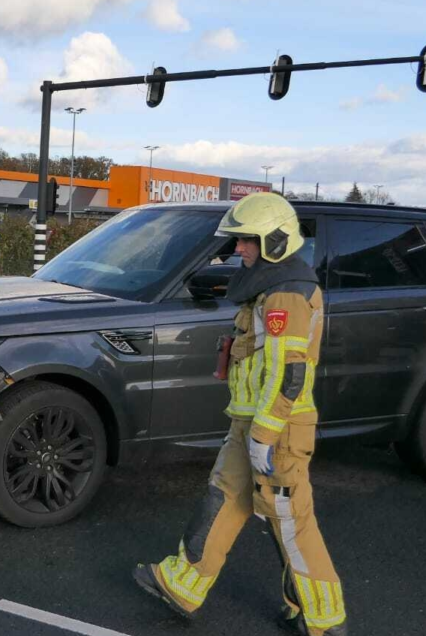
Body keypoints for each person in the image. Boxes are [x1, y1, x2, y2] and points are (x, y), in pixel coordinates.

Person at [133, 192, 346, 636]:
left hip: (278, 432)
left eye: (248, 240)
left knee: (290, 521)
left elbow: (287, 375)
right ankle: (183, 584)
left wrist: (264, 436)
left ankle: (323, 618)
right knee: (225, 497)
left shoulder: (287, 294)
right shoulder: (269, 288)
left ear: (275, 241)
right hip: (250, 424)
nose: (239, 249)